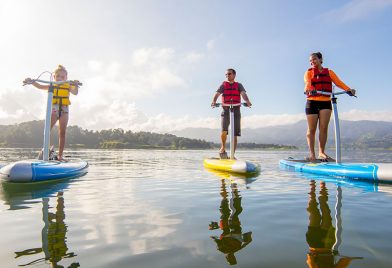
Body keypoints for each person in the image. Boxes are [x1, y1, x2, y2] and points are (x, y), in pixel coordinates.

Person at [304, 52, 356, 162]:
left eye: (314, 59)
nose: (312, 62)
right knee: (312, 129)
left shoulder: (330, 72)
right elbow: (308, 83)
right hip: (312, 102)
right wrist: (309, 89)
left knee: (323, 128)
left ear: (320, 59)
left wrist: (348, 89)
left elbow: (338, 83)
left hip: (325, 102)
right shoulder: (308, 73)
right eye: (310, 61)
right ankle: (312, 154)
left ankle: (321, 152)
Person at [23, 65, 80, 161]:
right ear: (54, 77)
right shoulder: (51, 85)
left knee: (62, 132)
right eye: (58, 76)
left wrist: (76, 85)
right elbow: (40, 86)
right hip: (54, 109)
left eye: (62, 77)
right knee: (47, 130)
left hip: (64, 110)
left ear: (66, 78)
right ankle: (47, 150)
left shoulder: (68, 85)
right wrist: (32, 82)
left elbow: (75, 92)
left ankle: (60, 156)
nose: (60, 78)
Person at [211, 69, 252, 159]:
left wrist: (247, 101)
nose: (227, 76)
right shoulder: (223, 85)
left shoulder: (239, 85)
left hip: (236, 110)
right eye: (226, 74)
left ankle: (232, 155)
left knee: (235, 134)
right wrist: (214, 101)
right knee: (223, 131)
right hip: (225, 110)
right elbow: (217, 94)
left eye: (229, 74)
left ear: (234, 75)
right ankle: (223, 148)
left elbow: (243, 94)